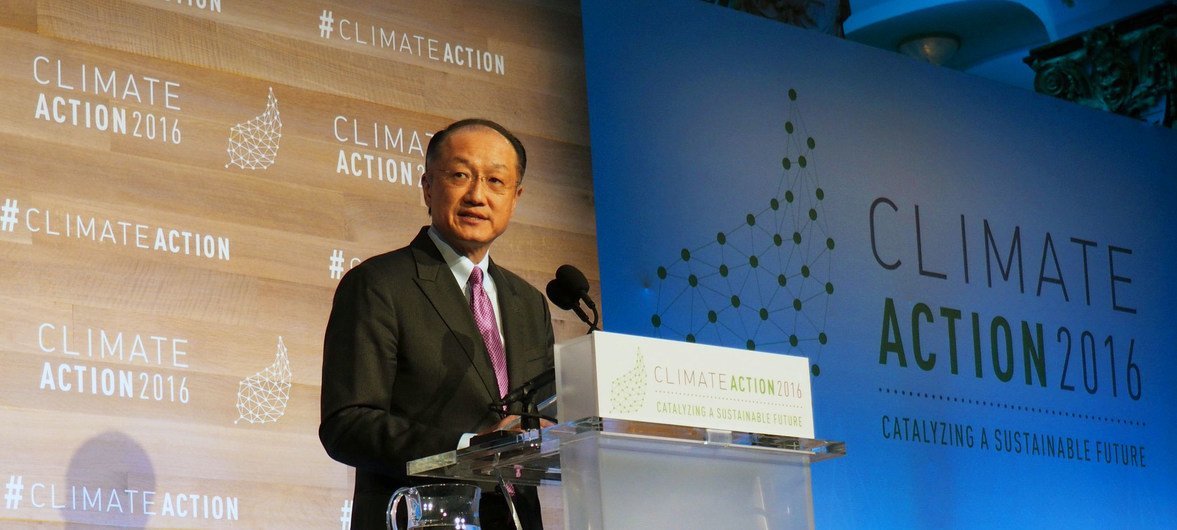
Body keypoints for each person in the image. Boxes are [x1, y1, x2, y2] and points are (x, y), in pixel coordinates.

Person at [320, 118, 554, 530]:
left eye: (496, 181)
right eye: (460, 175)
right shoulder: (380, 284)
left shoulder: (528, 302)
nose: (477, 195)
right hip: (420, 518)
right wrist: (466, 450)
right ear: (428, 186)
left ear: (515, 198)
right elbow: (348, 424)